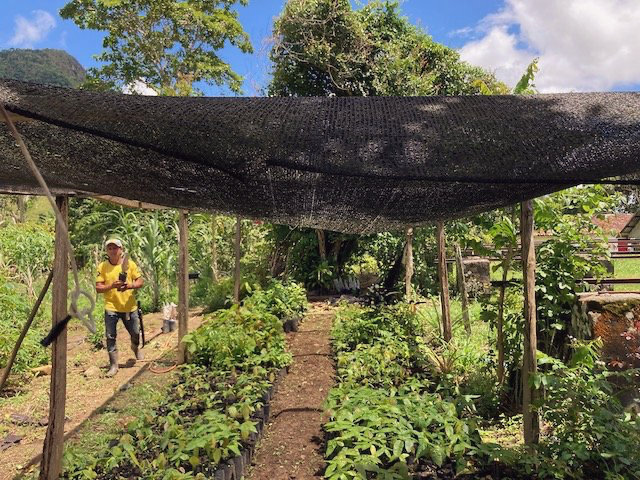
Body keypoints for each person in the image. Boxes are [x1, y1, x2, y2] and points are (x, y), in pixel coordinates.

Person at [96, 238, 144, 377]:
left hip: (129, 306)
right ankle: (113, 365)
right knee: (110, 336)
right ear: (107, 251)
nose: (112, 251)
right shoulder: (102, 267)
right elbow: (98, 288)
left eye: (115, 248)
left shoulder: (129, 264)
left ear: (121, 250)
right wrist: (111, 286)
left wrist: (130, 286)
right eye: (109, 248)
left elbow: (140, 281)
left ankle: (135, 347)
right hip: (111, 307)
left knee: (135, 333)